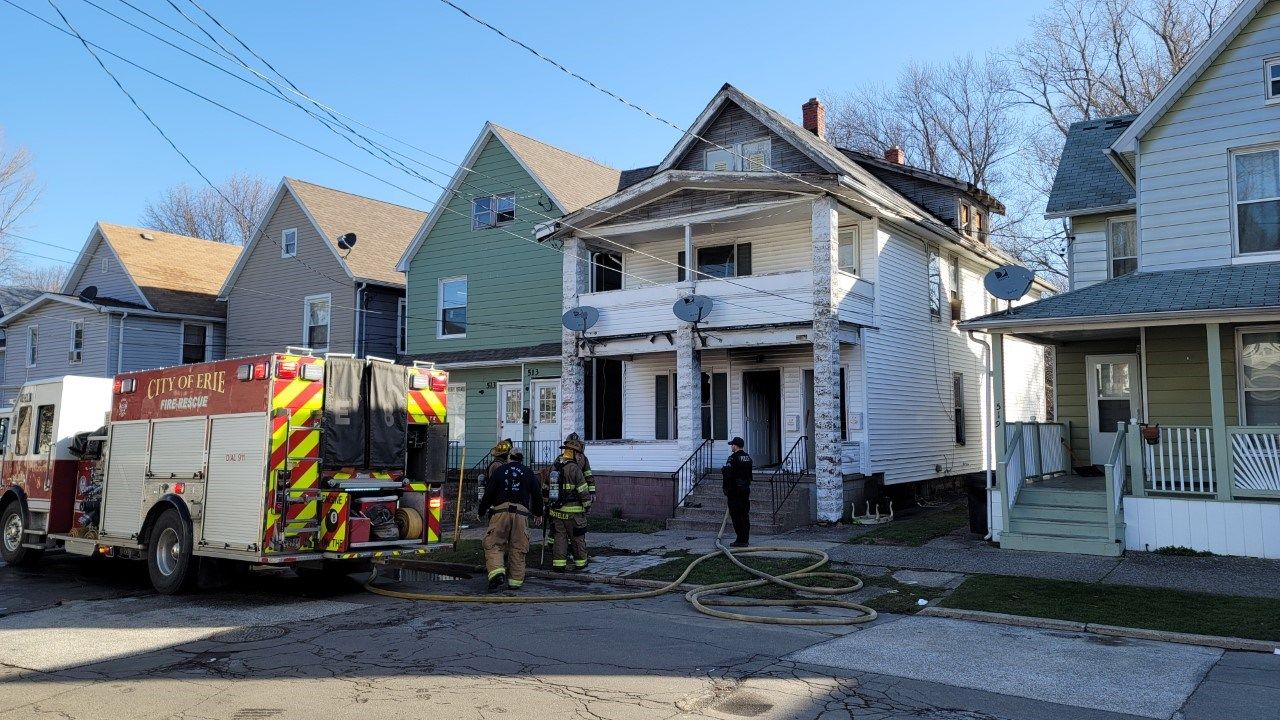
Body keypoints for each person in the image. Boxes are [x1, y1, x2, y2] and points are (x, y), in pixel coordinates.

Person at [477, 451, 543, 591]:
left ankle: (497, 573)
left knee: (494, 543)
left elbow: (489, 493)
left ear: (508, 458)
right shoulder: (528, 472)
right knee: (518, 547)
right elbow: (537, 494)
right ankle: (515, 582)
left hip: (500, 512)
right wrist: (538, 513)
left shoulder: (500, 470)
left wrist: (481, 511)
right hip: (521, 514)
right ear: (521, 459)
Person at [548, 435, 591, 571]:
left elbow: (545, 487)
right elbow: (583, 490)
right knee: (577, 537)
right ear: (573, 453)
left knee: (559, 538)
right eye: (578, 454)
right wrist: (587, 506)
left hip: (556, 512)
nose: (579, 456)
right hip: (573, 513)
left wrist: (546, 504)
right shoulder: (574, 468)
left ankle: (559, 565)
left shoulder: (555, 466)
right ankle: (581, 563)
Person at [721, 437, 753, 547]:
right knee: (745, 515)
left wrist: (726, 489)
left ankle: (740, 540)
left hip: (735, 490)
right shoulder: (748, 457)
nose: (731, 447)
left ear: (735, 445)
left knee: (736, 515)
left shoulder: (732, 458)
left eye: (732, 445)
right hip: (745, 489)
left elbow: (728, 475)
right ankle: (745, 539)